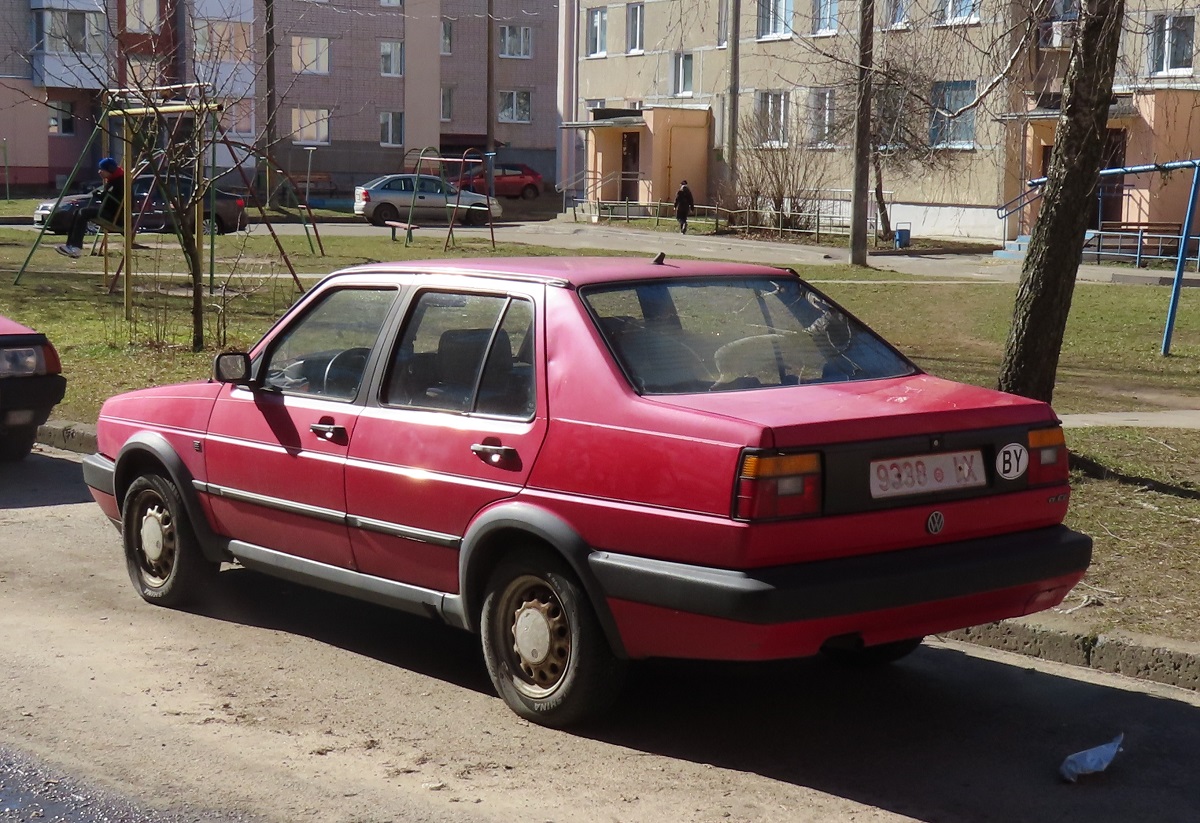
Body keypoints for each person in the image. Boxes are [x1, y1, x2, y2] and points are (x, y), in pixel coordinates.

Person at [56, 157, 125, 259]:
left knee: (83, 212)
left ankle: (76, 248)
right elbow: (109, 196)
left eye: (102, 169)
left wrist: (103, 195)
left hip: (116, 216)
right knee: (77, 212)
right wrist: (101, 194)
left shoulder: (121, 182)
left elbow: (119, 200)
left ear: (109, 169)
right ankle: (70, 245)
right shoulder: (113, 180)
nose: (99, 172)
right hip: (109, 212)